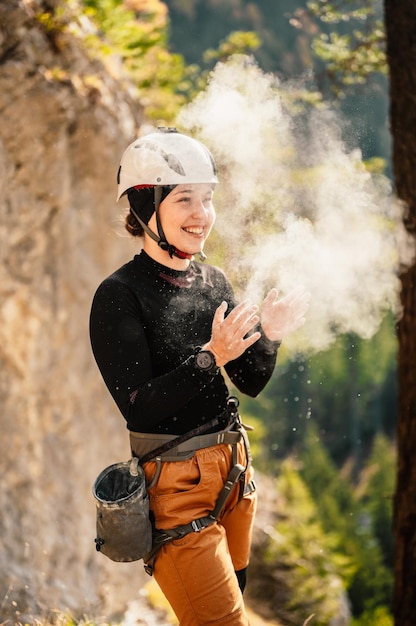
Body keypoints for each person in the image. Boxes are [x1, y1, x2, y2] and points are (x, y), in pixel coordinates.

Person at [89, 127, 309, 625]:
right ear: (146, 208)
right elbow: (139, 406)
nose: (201, 215)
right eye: (185, 199)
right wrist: (210, 357)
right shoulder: (119, 295)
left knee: (233, 605)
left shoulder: (213, 282)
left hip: (233, 472)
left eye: (207, 199)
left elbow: (250, 380)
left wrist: (269, 335)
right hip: (175, 484)